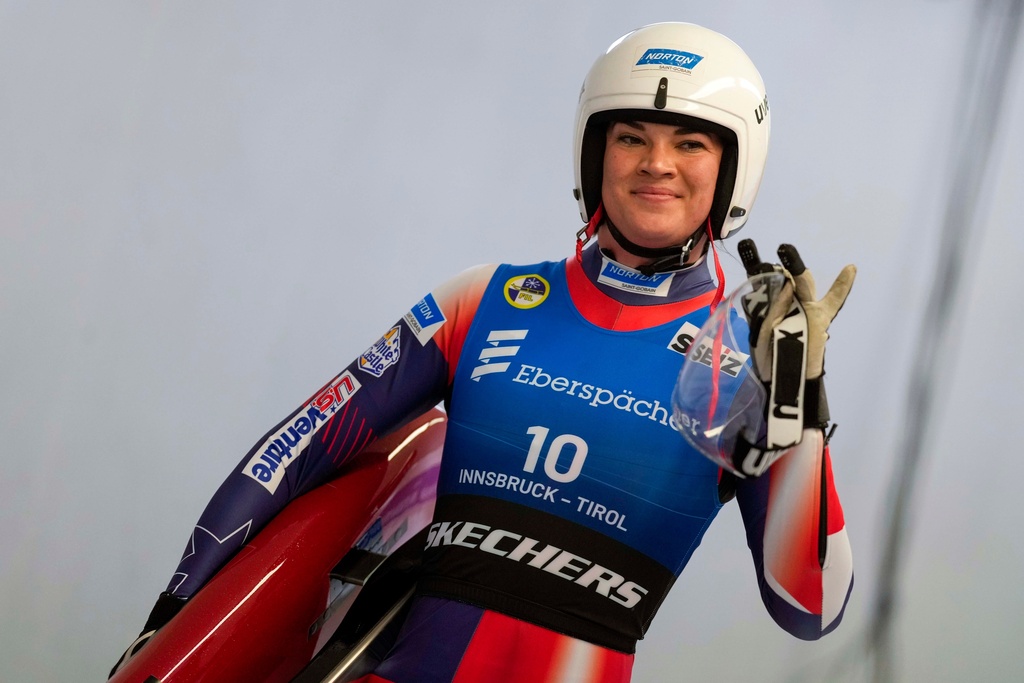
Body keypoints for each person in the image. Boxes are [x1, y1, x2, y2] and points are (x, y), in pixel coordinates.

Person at [113, 21, 855, 682]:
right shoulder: (484, 299)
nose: (656, 163)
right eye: (631, 136)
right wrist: (171, 619)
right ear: (595, 152)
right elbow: (296, 450)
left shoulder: (754, 366)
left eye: (690, 142)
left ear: (732, 169)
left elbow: (811, 605)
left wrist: (804, 414)